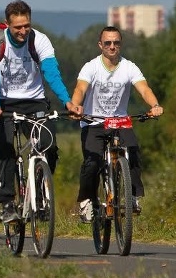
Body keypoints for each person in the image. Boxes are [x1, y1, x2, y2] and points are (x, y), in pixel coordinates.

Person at [0, 0, 81, 223]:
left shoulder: (39, 39)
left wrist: (67, 102)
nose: (23, 31)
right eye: (17, 27)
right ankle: (7, 203)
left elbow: (51, 73)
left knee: (49, 146)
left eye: (26, 25)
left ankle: (39, 193)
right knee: (6, 149)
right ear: (7, 25)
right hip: (3, 102)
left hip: (34, 101)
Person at [70, 26, 164, 221]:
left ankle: (132, 197)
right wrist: (75, 106)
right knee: (92, 162)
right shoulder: (91, 67)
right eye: (108, 43)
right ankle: (87, 201)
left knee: (133, 151)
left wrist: (154, 105)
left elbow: (144, 89)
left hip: (120, 121)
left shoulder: (129, 67)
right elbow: (80, 88)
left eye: (116, 43)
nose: (112, 46)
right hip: (93, 122)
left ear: (120, 45)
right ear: (100, 45)